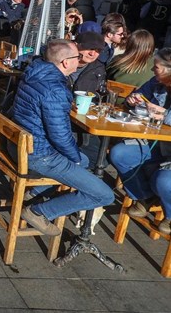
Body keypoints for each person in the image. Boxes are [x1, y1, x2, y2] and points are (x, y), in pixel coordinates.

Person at [11, 39, 114, 236]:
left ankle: (33, 193)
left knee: (83, 159)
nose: (81, 59)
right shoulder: (55, 89)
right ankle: (38, 211)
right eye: (77, 57)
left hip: (21, 146)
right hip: (40, 155)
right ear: (66, 62)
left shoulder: (34, 73)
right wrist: (73, 158)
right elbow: (59, 135)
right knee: (104, 195)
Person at [110, 48, 171, 235]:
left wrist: (164, 114)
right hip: (156, 142)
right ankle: (145, 196)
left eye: (157, 67)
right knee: (119, 153)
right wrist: (132, 100)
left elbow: (162, 115)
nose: (153, 70)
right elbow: (139, 95)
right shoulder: (156, 82)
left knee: (164, 181)